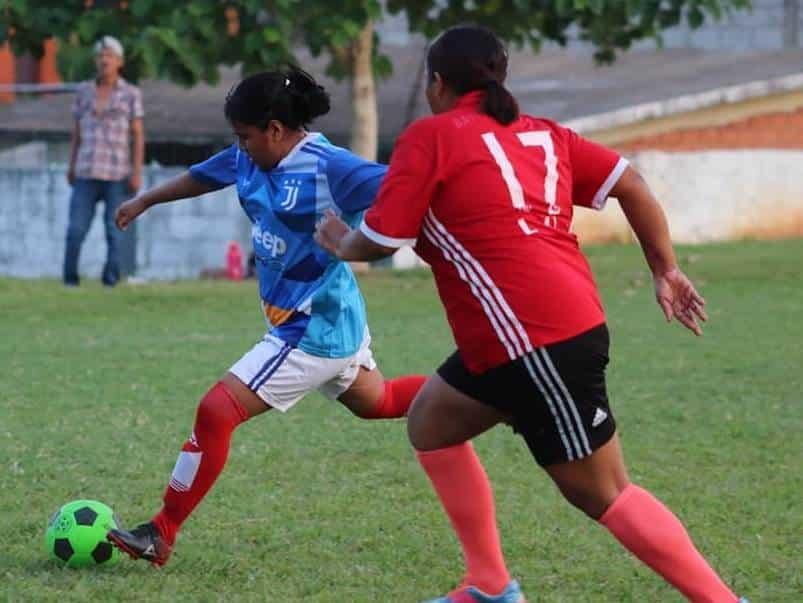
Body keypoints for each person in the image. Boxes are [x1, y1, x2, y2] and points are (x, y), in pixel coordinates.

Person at [315, 25, 749, 603]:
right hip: (523, 335)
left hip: (533, 340)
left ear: (437, 84)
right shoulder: (545, 135)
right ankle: (490, 585)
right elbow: (632, 183)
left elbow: (382, 238)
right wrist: (664, 268)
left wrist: (341, 242)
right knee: (431, 423)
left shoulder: (432, 136)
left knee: (604, 493)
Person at [106, 67, 425, 566]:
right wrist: (146, 199)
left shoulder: (328, 167)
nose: (240, 147)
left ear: (276, 129)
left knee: (217, 410)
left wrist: (371, 240)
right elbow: (206, 174)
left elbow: (406, 190)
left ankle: (162, 531)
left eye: (245, 136)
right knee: (377, 401)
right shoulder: (250, 157)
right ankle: (483, 393)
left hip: (312, 323)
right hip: (325, 314)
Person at [64, 35, 144, 287]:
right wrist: (71, 165)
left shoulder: (130, 94)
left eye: (109, 56)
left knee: (114, 230)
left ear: (119, 62)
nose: (104, 60)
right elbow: (76, 131)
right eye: (100, 56)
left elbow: (138, 135)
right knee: (76, 229)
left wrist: (136, 171)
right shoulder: (84, 91)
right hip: (86, 171)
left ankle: (110, 280)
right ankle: (70, 280)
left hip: (117, 172)